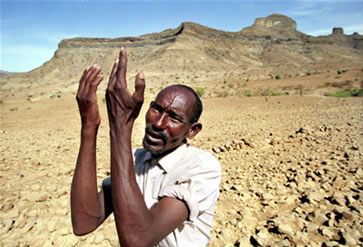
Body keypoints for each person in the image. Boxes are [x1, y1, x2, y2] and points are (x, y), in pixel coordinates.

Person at [71, 47, 221, 247]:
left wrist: (121, 127)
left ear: (192, 131)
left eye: (174, 118)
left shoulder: (201, 167)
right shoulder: (133, 160)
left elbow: (137, 241)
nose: (158, 123)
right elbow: (84, 222)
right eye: (156, 109)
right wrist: (89, 127)